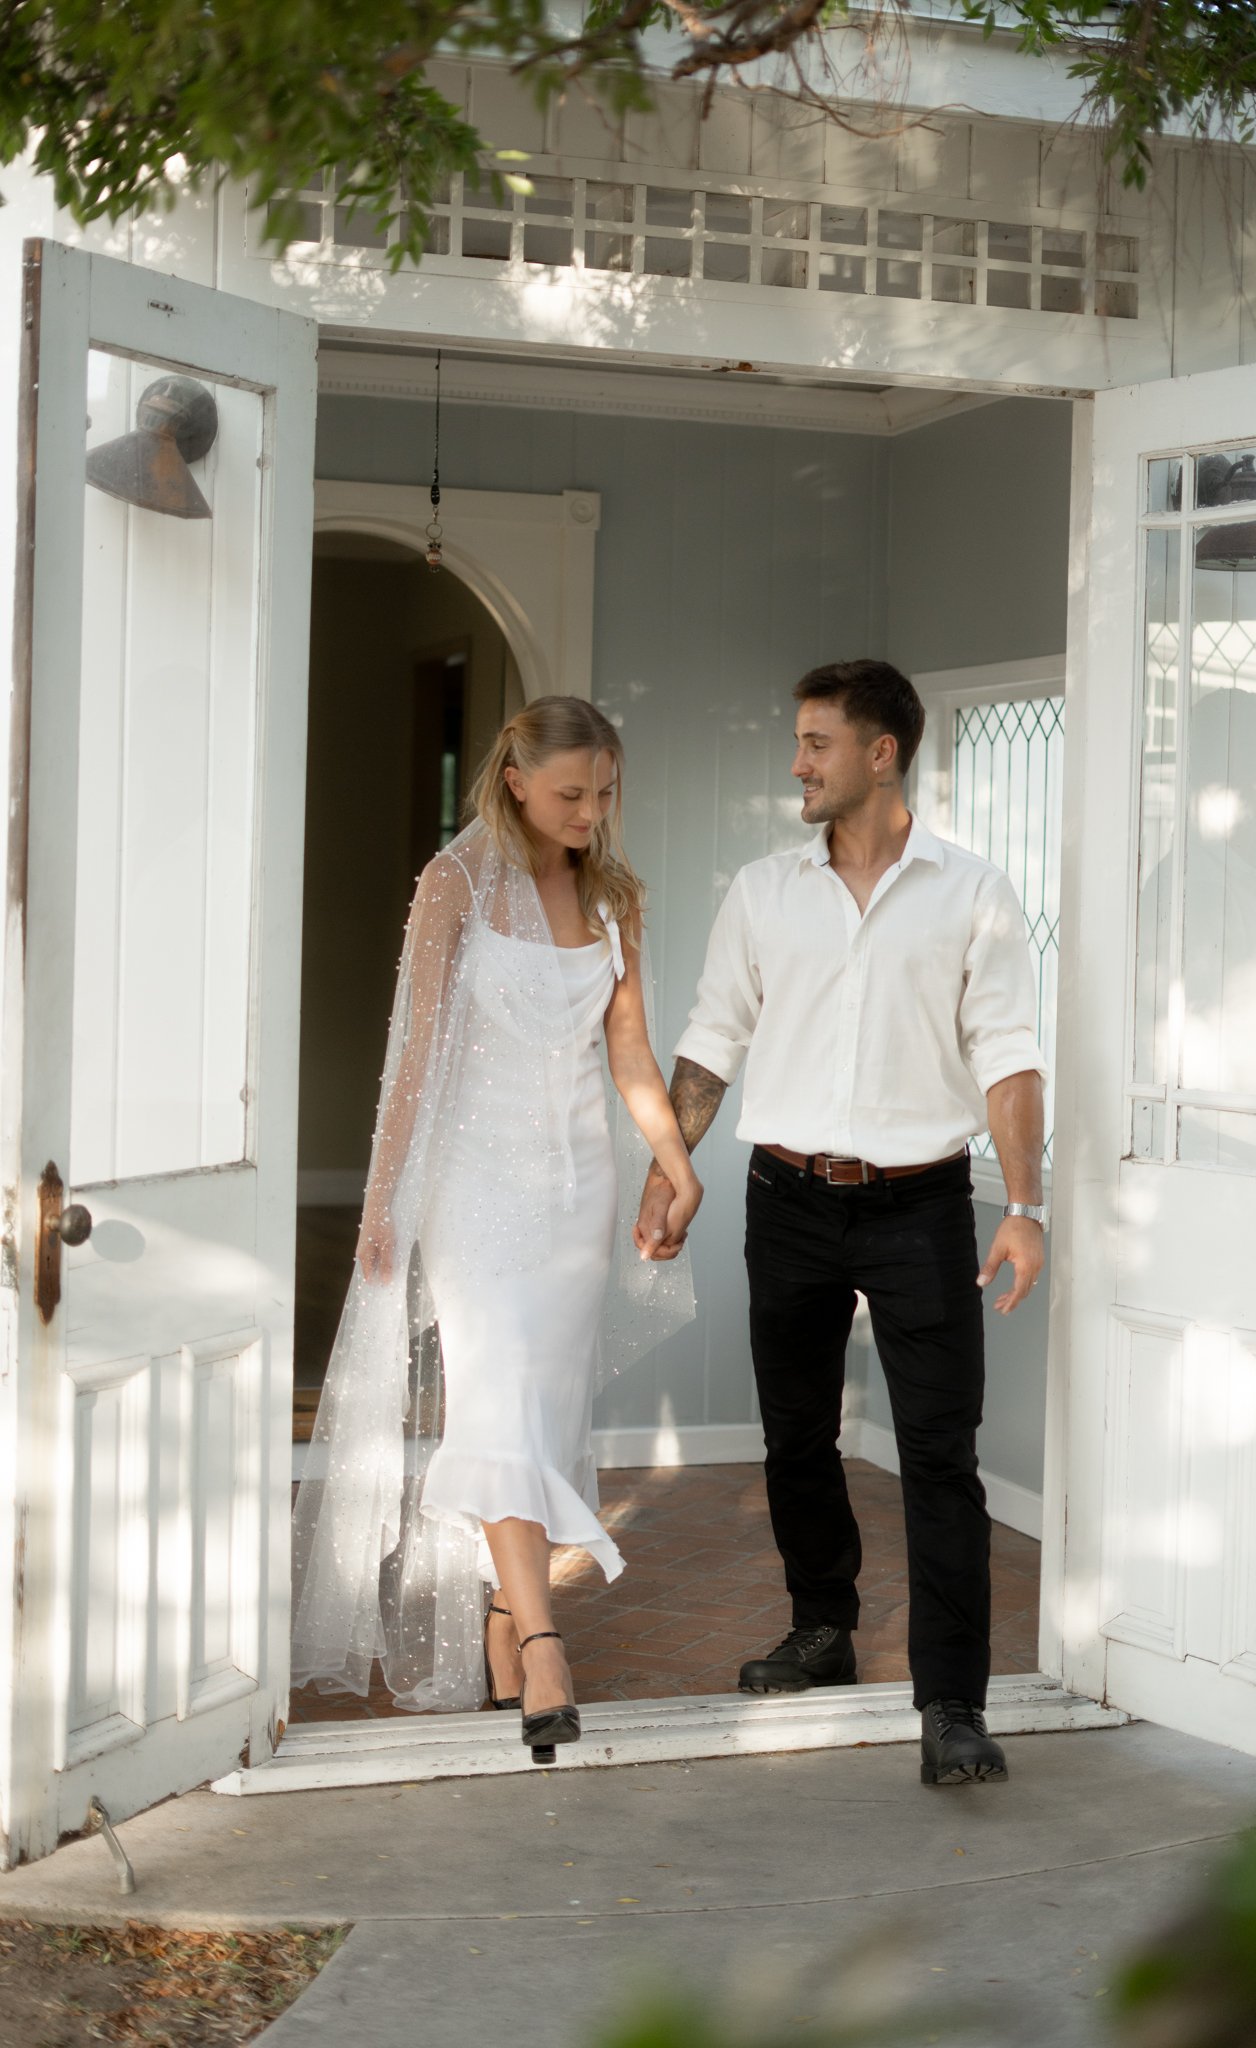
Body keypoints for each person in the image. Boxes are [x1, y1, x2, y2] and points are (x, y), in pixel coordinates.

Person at [637, 659, 1046, 1786]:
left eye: (816, 741)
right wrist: (670, 1166)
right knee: (797, 1434)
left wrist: (1024, 1205)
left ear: (882, 752)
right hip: (789, 1200)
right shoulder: (764, 890)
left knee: (939, 1453)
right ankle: (822, 1626)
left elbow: (1009, 1057)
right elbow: (713, 1035)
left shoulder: (972, 892)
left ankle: (952, 1700)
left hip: (922, 1206)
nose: (797, 762)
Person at [293, 696, 700, 1759]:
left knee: (542, 1411)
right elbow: (413, 1058)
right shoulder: (454, 885)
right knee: (502, 1402)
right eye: (573, 792)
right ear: (515, 778)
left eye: (606, 793)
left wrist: (675, 1163)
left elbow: (631, 1056)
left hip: (577, 1197)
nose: (591, 811)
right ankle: (547, 1640)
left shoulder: (615, 895)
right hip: (475, 1193)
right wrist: (383, 1198)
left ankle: (496, 1620)